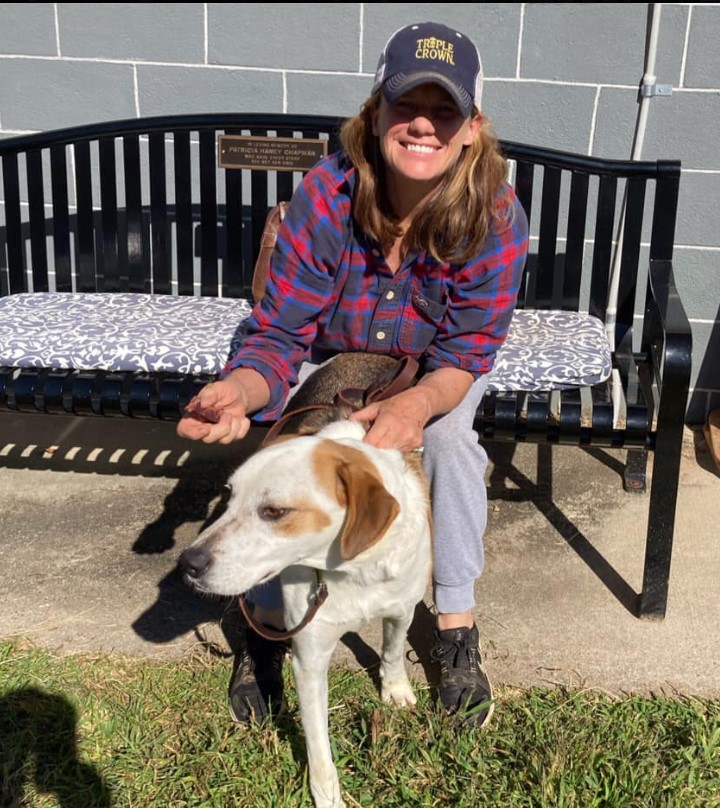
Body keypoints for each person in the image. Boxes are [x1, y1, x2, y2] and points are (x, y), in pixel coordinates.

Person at [177, 20, 529, 728]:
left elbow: (466, 352)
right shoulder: (330, 191)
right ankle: (266, 616)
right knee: (289, 446)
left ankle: (455, 627)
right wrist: (242, 392)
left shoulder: (494, 212)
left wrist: (417, 408)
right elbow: (282, 332)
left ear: (471, 128)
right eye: (406, 106)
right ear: (375, 114)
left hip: (435, 368)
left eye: (445, 111)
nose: (422, 124)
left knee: (453, 444)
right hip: (333, 355)